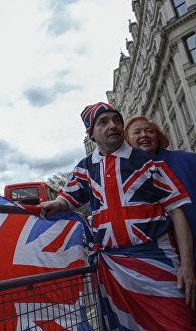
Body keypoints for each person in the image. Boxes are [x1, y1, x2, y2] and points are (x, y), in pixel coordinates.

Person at [40, 102, 196, 330]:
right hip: (114, 269)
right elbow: (66, 200)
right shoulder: (84, 168)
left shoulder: (148, 162)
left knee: (179, 324)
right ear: (91, 133)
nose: (113, 125)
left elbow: (176, 211)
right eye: (103, 122)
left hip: (158, 263)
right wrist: (55, 203)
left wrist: (188, 265)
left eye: (116, 120)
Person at [125, 115, 196, 274]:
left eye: (149, 131)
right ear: (127, 142)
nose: (144, 135)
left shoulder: (187, 159)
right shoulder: (127, 177)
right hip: (164, 263)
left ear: (157, 137)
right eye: (137, 132)